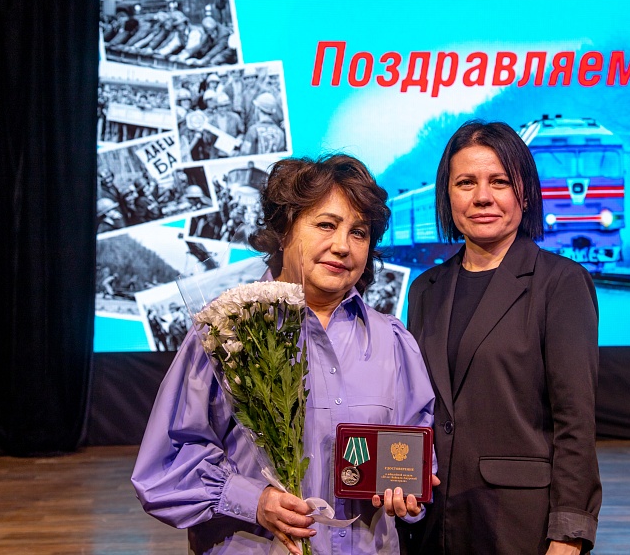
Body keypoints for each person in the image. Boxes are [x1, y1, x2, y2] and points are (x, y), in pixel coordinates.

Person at [131, 154, 437, 555]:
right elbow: (164, 467)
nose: (342, 246)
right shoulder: (228, 333)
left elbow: (417, 456)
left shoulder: (392, 341)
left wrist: (407, 493)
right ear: (283, 230)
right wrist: (254, 501)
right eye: (326, 225)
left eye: (359, 233)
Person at [404, 120, 601, 555]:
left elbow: (575, 421)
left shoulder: (560, 283)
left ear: (524, 194)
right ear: (448, 196)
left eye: (500, 182)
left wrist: (569, 533)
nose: (482, 197)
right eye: (466, 183)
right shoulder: (425, 290)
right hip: (434, 522)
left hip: (520, 524)